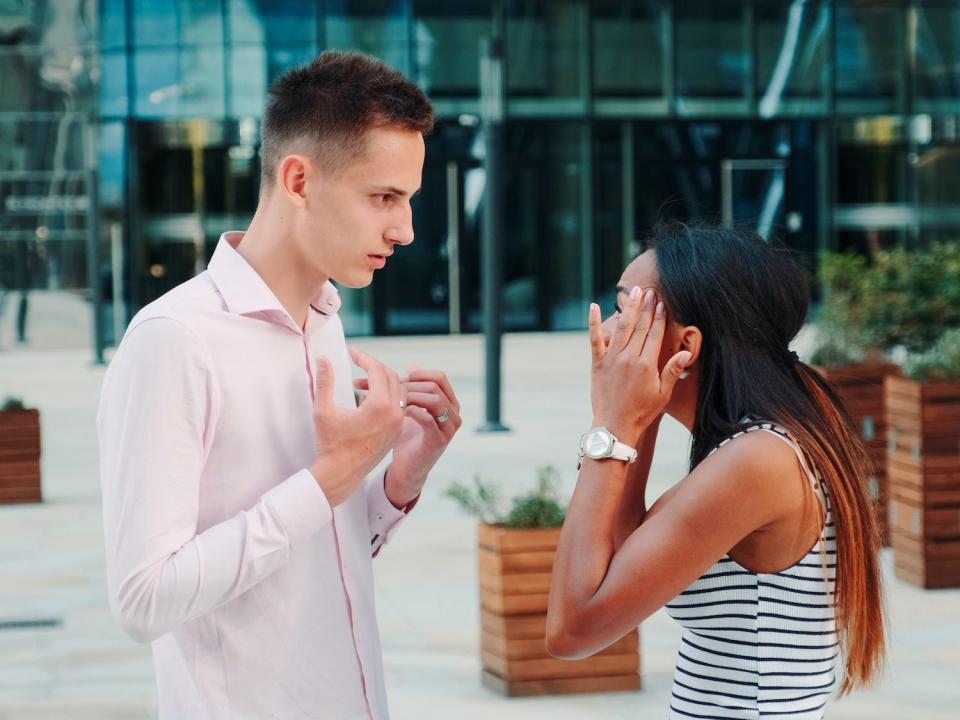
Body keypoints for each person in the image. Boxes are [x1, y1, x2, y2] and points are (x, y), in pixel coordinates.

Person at [98, 51, 463, 720]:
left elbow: (314, 557)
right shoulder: (174, 341)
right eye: (384, 197)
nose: (405, 230)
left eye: (407, 200)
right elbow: (142, 600)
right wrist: (331, 476)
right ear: (298, 179)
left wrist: (393, 483)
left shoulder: (324, 322)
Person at [546, 222, 885, 719]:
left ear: (686, 346)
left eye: (624, 310)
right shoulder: (781, 428)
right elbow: (616, 561)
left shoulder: (759, 460)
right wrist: (634, 418)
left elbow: (572, 630)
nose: (607, 331)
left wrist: (611, 427)